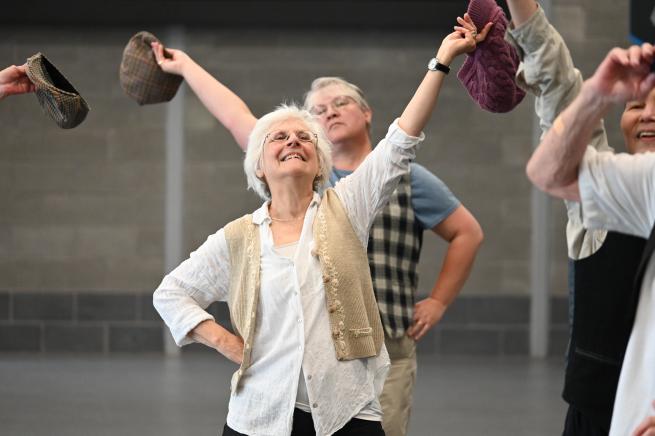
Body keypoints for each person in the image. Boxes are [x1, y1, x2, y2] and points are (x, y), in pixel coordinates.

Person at [152, 17, 486, 436]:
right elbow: (170, 293)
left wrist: (440, 62)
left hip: (350, 406)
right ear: (258, 164)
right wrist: (225, 341)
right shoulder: (240, 237)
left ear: (319, 163)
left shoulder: (348, 204)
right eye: (278, 137)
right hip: (259, 414)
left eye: (304, 136)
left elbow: (401, 140)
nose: (292, 139)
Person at [502, 0, 651, 433]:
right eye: (636, 105)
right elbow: (558, 85)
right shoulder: (606, 196)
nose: (648, 115)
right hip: (598, 412)